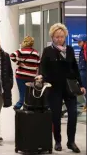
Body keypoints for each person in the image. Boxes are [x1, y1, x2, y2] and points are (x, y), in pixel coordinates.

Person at [37, 23, 86, 153]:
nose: (59, 39)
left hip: (69, 87)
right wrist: (41, 77)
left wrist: (81, 85)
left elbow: (75, 68)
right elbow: (42, 67)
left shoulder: (69, 50)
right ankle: (57, 141)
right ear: (52, 37)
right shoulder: (48, 51)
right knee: (56, 116)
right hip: (54, 87)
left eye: (62, 36)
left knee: (73, 115)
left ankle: (71, 142)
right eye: (57, 37)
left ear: (65, 36)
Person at [10, 36, 40, 109]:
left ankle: (19, 105)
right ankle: (27, 106)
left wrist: (18, 62)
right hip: (31, 76)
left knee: (22, 93)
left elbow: (12, 56)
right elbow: (38, 63)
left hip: (20, 76)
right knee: (30, 94)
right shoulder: (36, 53)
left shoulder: (21, 51)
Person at [73, 34, 87, 112]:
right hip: (82, 71)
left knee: (84, 88)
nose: (78, 43)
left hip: (84, 71)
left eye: (79, 41)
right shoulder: (83, 49)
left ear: (84, 41)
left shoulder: (85, 49)